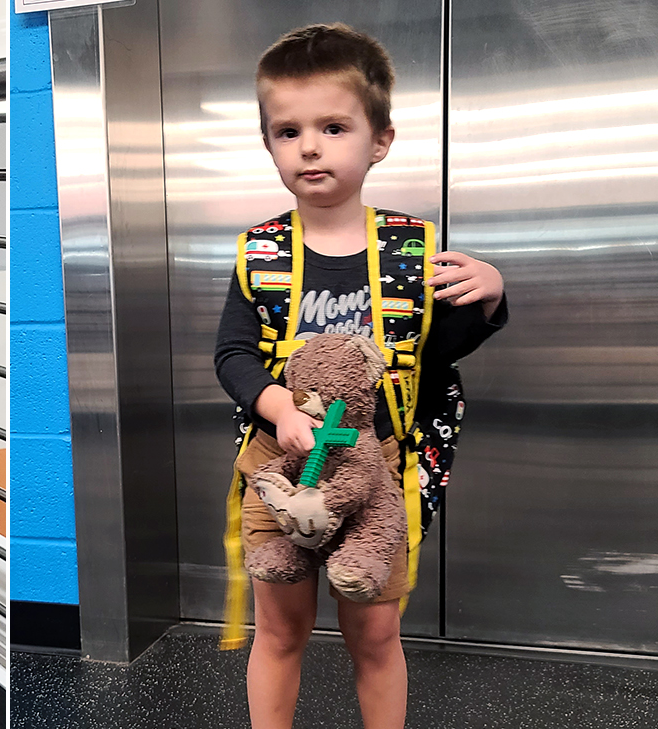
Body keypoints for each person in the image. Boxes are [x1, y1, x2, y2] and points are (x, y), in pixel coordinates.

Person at [213, 23, 507, 729]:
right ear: (269, 145)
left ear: (380, 139)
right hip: (279, 464)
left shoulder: (412, 248)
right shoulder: (261, 251)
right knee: (279, 627)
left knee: (375, 634)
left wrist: (492, 296)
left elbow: (436, 353)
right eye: (287, 130)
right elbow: (232, 354)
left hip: (379, 471)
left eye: (334, 125)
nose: (309, 145)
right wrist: (278, 405)